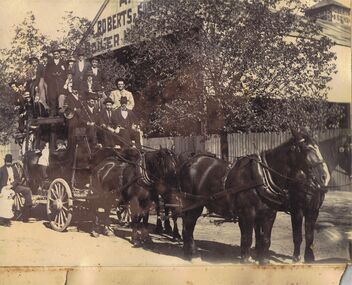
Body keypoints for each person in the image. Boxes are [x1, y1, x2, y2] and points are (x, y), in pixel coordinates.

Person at [0, 154, 33, 223]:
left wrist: (12, 185)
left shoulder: (14, 168)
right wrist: (3, 189)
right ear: (5, 161)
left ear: (11, 162)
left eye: (9, 162)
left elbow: (18, 179)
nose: (8, 164)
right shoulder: (1, 169)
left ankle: (26, 214)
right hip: (5, 188)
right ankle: (5, 217)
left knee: (27, 190)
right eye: (7, 162)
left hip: (14, 187)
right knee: (6, 199)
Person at [45, 47, 67, 116]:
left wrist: (61, 75)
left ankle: (60, 111)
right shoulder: (50, 62)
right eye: (54, 54)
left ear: (59, 54)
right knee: (52, 96)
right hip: (52, 82)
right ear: (53, 55)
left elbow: (66, 72)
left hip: (60, 82)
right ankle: (53, 112)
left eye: (57, 54)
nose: (56, 55)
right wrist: (52, 75)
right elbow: (46, 73)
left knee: (60, 95)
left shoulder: (63, 62)